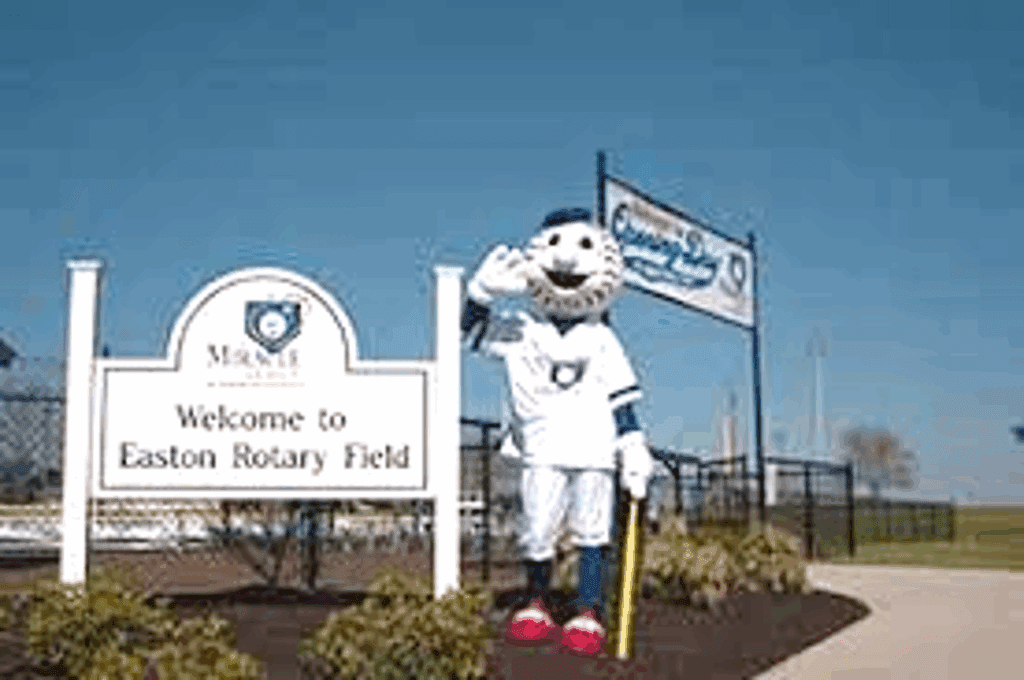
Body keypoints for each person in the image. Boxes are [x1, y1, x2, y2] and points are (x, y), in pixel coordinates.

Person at [461, 207, 654, 657]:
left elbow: (621, 398)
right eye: (554, 247)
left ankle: (587, 611)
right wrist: (479, 294)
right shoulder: (521, 329)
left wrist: (633, 444)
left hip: (595, 449)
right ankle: (536, 602)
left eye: (583, 247)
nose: (566, 262)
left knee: (592, 533)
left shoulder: (602, 338)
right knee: (538, 529)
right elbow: (465, 333)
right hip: (541, 448)